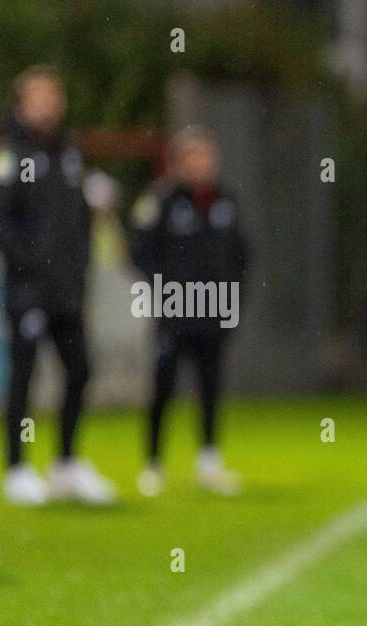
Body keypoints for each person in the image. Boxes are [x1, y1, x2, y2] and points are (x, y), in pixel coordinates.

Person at [0, 65, 116, 505]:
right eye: (40, 96)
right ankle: (17, 467)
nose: (49, 104)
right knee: (24, 377)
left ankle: (66, 464)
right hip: (28, 290)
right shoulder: (11, 155)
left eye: (54, 96)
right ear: (22, 103)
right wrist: (32, 264)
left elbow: (75, 220)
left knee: (80, 370)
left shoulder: (68, 154)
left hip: (67, 289)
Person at [128, 126, 246, 496]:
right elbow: (138, 250)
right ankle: (153, 463)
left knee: (211, 385)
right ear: (178, 162)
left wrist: (233, 297)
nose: (203, 164)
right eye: (194, 156)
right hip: (175, 312)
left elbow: (243, 256)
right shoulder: (160, 200)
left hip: (214, 310)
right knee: (163, 385)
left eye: (207, 156)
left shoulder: (226, 201)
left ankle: (209, 460)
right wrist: (164, 290)